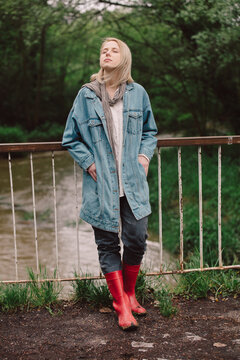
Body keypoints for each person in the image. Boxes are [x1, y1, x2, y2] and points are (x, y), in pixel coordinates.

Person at [62, 37, 158, 331]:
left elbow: (150, 132)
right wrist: (89, 162)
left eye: (114, 50)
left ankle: (130, 292)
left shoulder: (138, 93)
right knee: (107, 244)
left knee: (137, 239)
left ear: (124, 58)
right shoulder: (86, 95)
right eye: (104, 50)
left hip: (132, 183)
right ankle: (120, 304)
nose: (107, 52)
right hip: (101, 184)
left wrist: (143, 157)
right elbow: (70, 138)